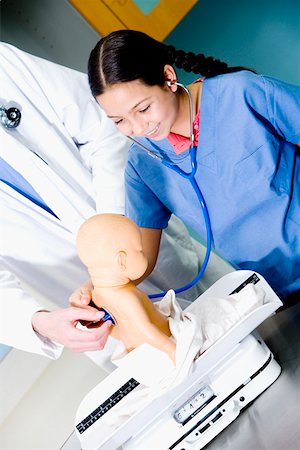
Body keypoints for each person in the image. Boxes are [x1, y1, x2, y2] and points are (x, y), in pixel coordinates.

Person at [0, 42, 218, 362]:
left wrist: (110, 227)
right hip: (90, 307)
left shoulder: (5, 67)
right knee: (163, 366)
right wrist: (39, 322)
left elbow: (106, 123)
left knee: (240, 323)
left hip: (143, 240)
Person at [87, 29, 300, 304]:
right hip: (278, 293)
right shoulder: (143, 166)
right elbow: (141, 259)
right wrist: (98, 287)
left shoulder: (241, 93)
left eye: (143, 109)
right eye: (119, 121)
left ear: (168, 77)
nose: (138, 128)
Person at [76, 213, 176, 362]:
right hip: (166, 345)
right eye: (140, 250)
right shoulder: (127, 297)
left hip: (142, 356)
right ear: (122, 260)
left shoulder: (97, 296)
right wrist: (171, 350)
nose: (144, 253)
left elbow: (113, 328)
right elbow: (146, 329)